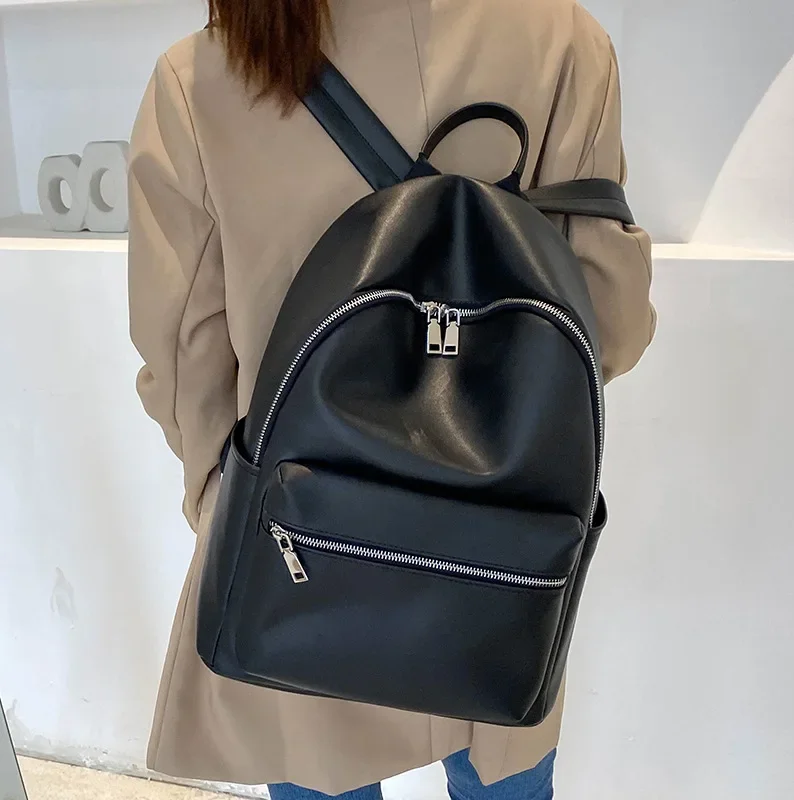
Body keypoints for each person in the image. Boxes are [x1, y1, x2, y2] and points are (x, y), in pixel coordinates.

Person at [127, 0, 656, 798]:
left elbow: (181, 358)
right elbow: (609, 321)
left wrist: (229, 508)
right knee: (504, 768)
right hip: (501, 543)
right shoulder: (563, 39)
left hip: (306, 541)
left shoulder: (204, 72)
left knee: (313, 763)